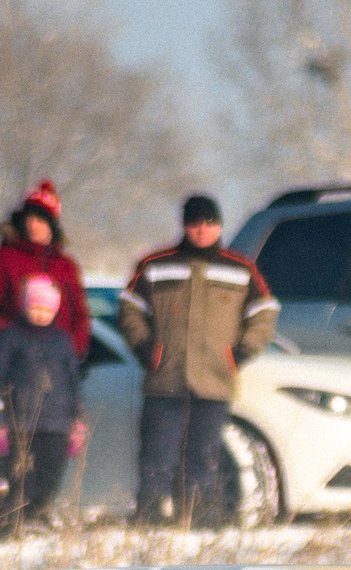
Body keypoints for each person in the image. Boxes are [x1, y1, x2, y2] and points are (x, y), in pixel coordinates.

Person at [119, 194, 278, 525]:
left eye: (209, 223)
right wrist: (145, 349)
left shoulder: (240, 269)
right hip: (165, 379)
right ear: (185, 226)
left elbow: (264, 313)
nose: (202, 230)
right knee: (156, 455)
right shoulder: (155, 265)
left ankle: (200, 519)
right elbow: (130, 309)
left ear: (218, 226)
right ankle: (149, 519)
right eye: (195, 224)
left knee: (203, 457)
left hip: (214, 380)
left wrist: (241, 353)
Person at [0, 274, 82, 529]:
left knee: (50, 474)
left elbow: (73, 382)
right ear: (25, 307)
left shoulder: (62, 340)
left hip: (56, 422)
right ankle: (12, 520)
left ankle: (40, 513)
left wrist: (77, 421)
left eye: (46, 309)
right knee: (17, 475)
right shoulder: (11, 337)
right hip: (20, 422)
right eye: (35, 308)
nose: (40, 314)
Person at [0, 180, 91, 358]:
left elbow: (80, 316)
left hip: (58, 364)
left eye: (40, 220)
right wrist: (14, 340)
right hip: (14, 361)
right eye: (29, 219)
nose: (33, 225)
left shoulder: (66, 266)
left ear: (52, 226)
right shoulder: (2, 259)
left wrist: (71, 349)